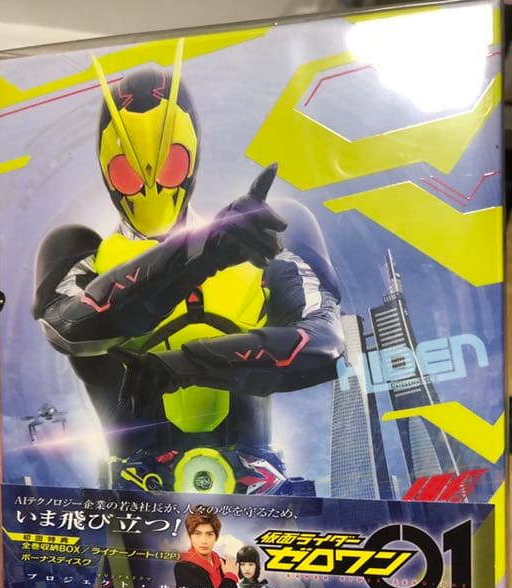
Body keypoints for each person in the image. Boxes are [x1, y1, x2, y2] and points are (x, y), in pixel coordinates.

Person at [31, 41, 344, 496]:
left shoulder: (268, 230)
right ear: (106, 170)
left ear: (191, 157)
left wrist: (183, 365)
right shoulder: (81, 251)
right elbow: (70, 327)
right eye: (127, 172)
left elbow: (323, 343)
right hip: (136, 488)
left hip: (252, 481)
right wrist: (203, 252)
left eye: (170, 164)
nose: (150, 185)